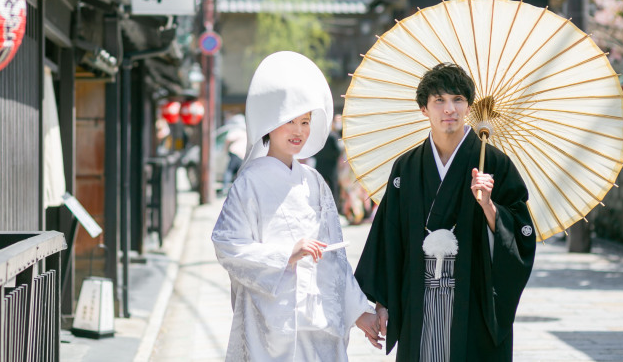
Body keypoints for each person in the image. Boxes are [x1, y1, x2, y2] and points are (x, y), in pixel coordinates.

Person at [355, 63, 536, 362]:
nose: (449, 109)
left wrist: (489, 205)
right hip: (418, 297)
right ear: (424, 108)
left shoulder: (494, 163)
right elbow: (389, 237)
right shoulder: (407, 167)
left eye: (457, 100)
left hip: (473, 298)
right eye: (439, 100)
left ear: (468, 106)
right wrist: (383, 302)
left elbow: (521, 233)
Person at [211, 51, 379, 361]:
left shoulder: (313, 181)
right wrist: (286, 253)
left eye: (305, 121)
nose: (299, 130)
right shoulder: (248, 183)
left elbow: (335, 258)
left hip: (318, 316)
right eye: (290, 121)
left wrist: (359, 313)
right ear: (271, 124)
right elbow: (227, 244)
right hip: (270, 318)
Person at [314, 114, 342, 211]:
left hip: (319, 164)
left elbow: (313, 152)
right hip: (331, 166)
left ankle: (320, 207)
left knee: (319, 187)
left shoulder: (318, 137)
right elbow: (338, 150)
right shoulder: (333, 136)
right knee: (333, 187)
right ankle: (335, 208)